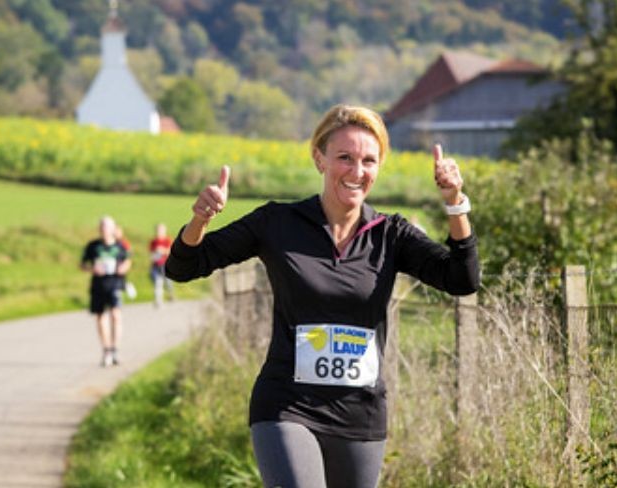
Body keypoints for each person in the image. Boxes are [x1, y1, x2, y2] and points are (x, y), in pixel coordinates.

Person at [165, 104, 479, 488]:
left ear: (379, 167)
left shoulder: (391, 235)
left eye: (368, 160)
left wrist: (455, 202)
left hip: (360, 414)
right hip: (287, 405)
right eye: (344, 157)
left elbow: (462, 279)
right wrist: (200, 220)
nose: (357, 171)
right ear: (319, 158)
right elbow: (183, 267)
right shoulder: (278, 223)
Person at [81, 216, 131, 367]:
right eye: (102, 227)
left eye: (107, 227)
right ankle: (106, 349)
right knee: (100, 317)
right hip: (98, 285)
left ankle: (115, 349)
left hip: (115, 284)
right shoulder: (93, 246)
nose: (104, 230)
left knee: (116, 315)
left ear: (113, 229)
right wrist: (92, 269)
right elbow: (82, 265)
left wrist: (123, 268)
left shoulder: (120, 246)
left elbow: (127, 261)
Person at [148, 223, 174, 307]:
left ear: (164, 231)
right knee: (157, 283)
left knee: (168, 282)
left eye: (161, 230)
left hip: (166, 265)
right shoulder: (153, 242)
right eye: (158, 230)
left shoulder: (168, 240)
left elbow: (171, 252)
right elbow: (151, 253)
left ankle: (170, 294)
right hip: (156, 265)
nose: (159, 232)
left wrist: (162, 250)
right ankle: (158, 300)